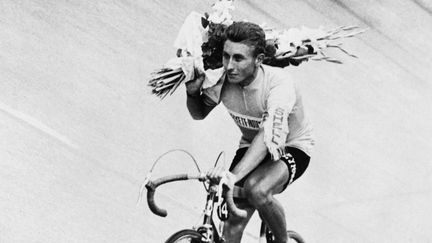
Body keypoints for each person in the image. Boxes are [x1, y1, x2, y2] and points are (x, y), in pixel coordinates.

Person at [185, 21, 314, 243]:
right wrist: (192, 93)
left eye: (239, 58)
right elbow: (199, 113)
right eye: (226, 56)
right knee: (232, 221)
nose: (229, 66)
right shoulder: (223, 80)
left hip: (289, 145)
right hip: (250, 145)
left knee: (257, 190)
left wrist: (233, 175)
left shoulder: (280, 84)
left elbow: (268, 136)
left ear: (259, 60)